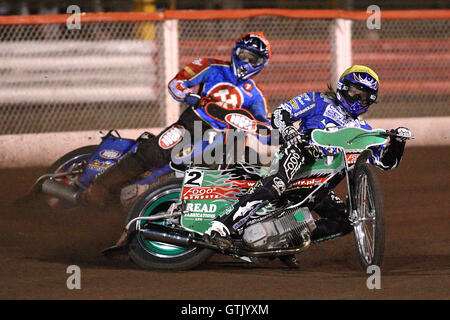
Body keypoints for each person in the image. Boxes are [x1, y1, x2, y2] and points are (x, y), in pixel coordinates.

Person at [204, 65, 412, 267]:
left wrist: (398, 143)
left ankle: (285, 243)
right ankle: (222, 225)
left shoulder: (362, 129)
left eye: (364, 96)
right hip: (299, 153)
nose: (358, 99)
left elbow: (385, 162)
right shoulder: (318, 100)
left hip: (321, 180)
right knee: (275, 184)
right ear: (343, 87)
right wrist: (289, 132)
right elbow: (281, 113)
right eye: (355, 92)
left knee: (345, 220)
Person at [80, 32, 272, 207]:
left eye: (252, 59)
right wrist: (187, 94)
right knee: (154, 152)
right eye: (243, 55)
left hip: (224, 140)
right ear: (234, 52)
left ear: (261, 63)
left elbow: (265, 127)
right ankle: (100, 187)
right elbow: (177, 82)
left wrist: (273, 132)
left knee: (236, 169)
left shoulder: (256, 95)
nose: (246, 62)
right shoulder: (211, 66)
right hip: (193, 123)